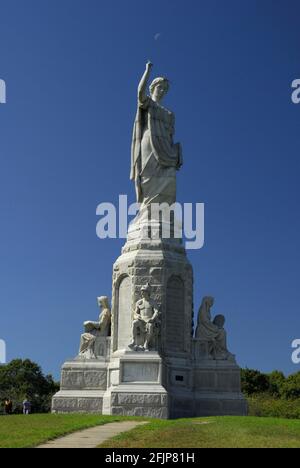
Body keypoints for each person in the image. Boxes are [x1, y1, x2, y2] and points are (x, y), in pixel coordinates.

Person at [130, 61, 183, 211]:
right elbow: (139, 92)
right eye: (160, 87)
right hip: (149, 144)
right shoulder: (147, 103)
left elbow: (170, 135)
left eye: (165, 89)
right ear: (152, 88)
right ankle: (146, 211)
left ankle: (164, 214)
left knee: (170, 179)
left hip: (166, 149)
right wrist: (147, 71)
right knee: (148, 177)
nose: (162, 91)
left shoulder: (170, 114)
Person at [129, 283, 161, 352]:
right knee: (135, 323)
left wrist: (152, 318)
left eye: (144, 291)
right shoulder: (139, 302)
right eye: (142, 291)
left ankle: (146, 344)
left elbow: (156, 311)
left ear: (148, 292)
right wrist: (137, 316)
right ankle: (133, 341)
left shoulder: (152, 302)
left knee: (150, 326)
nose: (142, 293)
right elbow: (135, 313)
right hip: (141, 320)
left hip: (149, 320)